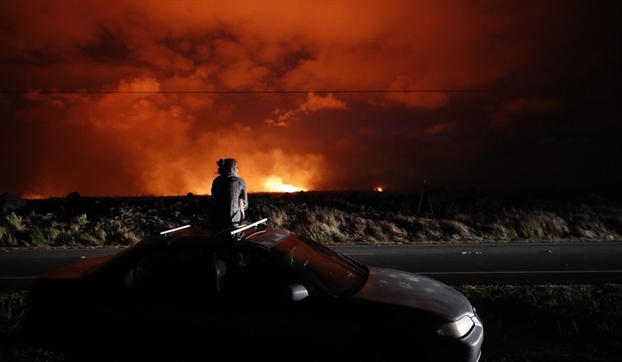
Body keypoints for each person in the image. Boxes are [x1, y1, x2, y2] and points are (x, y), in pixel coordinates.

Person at [210, 158, 248, 232]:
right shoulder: (239, 181)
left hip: (216, 218)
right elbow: (245, 204)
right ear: (232, 170)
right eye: (236, 168)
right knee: (241, 200)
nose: (238, 170)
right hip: (232, 219)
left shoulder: (216, 181)